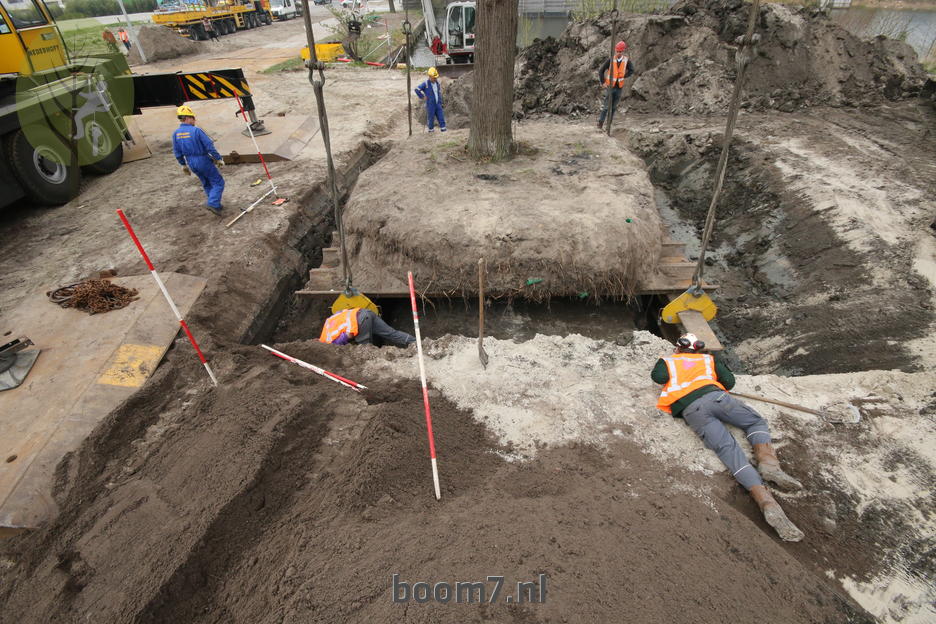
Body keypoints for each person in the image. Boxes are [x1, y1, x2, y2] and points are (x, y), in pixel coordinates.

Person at [651, 333, 805, 542]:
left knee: (727, 450)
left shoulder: (668, 361)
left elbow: (658, 377)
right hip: (718, 398)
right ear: (699, 349)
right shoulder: (708, 360)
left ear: (678, 348)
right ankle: (769, 463)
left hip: (692, 410)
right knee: (755, 422)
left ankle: (766, 501)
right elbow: (729, 382)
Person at [172, 105, 226, 215]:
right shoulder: (196, 131)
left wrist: (183, 165)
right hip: (202, 160)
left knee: (206, 182)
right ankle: (213, 203)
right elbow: (209, 146)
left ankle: (216, 205)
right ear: (188, 118)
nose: (194, 120)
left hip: (190, 162)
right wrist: (218, 158)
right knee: (218, 182)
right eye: (193, 118)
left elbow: (177, 151)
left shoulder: (176, 133)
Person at [319, 307, 415, 348]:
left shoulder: (331, 342)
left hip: (359, 322)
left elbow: (349, 334)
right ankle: (417, 343)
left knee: (365, 350)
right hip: (365, 312)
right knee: (391, 333)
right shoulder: (329, 322)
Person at [597, 41, 634, 131]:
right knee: (606, 106)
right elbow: (601, 71)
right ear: (615, 50)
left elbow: (631, 70)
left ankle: (608, 125)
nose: (618, 53)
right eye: (617, 51)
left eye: (620, 52)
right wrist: (603, 83)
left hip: (619, 87)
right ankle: (600, 123)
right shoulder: (610, 60)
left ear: (623, 51)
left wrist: (624, 76)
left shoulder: (626, 61)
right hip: (610, 86)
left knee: (613, 107)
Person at [415, 67, 446, 133]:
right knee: (431, 118)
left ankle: (443, 130)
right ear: (429, 76)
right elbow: (417, 89)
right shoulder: (425, 84)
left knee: (441, 117)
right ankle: (431, 131)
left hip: (438, 104)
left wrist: (440, 101)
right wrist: (422, 96)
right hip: (430, 105)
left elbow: (438, 92)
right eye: (434, 78)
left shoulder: (437, 83)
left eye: (436, 77)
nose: (435, 79)